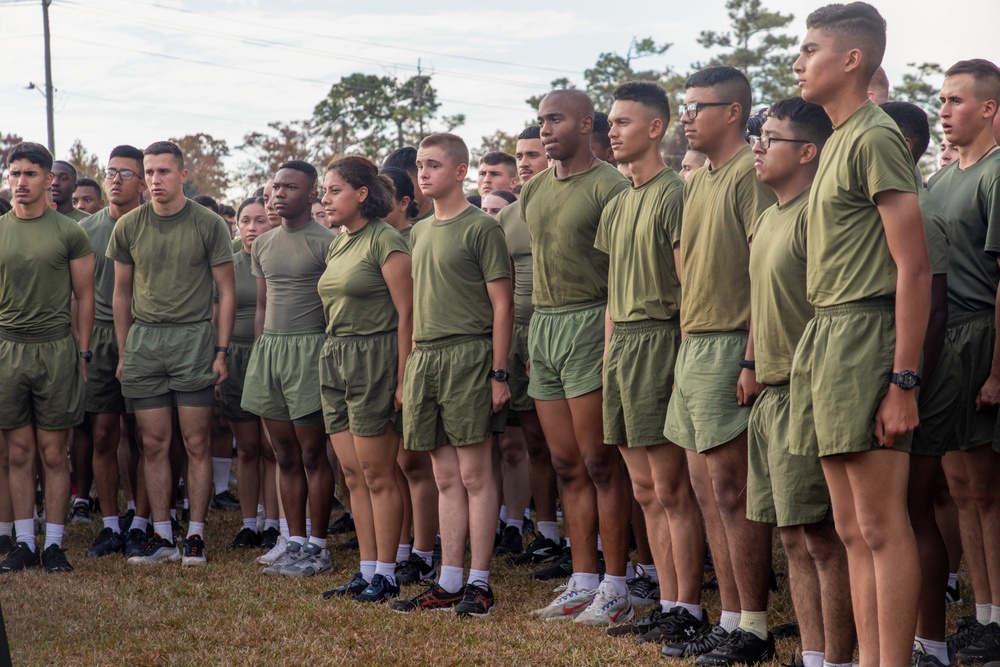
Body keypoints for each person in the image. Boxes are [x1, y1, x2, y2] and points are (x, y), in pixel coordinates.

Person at [790, 5, 931, 665]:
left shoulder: (875, 134)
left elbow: (914, 266)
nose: (798, 60)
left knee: (880, 524)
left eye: (810, 48)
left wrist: (903, 379)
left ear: (852, 59)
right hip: (827, 334)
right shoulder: (840, 135)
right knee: (850, 527)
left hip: (867, 334)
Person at [659, 65, 778, 663]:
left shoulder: (747, 177)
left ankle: (753, 627)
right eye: (683, 106)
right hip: (695, 345)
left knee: (734, 492)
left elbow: (765, 273)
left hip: (734, 343)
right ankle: (729, 617)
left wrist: (753, 356)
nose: (687, 116)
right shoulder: (697, 180)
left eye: (697, 106)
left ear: (733, 112)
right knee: (706, 493)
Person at [594, 81, 709, 644]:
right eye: (611, 123)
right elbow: (615, 291)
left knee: (671, 488)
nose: (611, 131)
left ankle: (689, 607)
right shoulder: (617, 202)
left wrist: (682, 356)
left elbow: (690, 288)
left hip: (663, 341)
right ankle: (666, 600)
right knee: (642, 490)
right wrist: (609, 353)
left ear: (656, 128)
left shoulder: (674, 193)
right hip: (624, 350)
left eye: (622, 122)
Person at [746, 98, 856, 667]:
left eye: (770, 138)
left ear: (808, 151)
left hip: (808, 391)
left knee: (822, 539)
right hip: (770, 392)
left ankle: (838, 657)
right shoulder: (767, 216)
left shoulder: (820, 213)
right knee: (790, 538)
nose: (757, 147)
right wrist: (749, 366)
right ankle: (813, 655)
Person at [520, 89, 634, 625]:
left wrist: (612, 343)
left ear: (588, 123)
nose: (545, 128)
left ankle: (618, 583)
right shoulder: (534, 189)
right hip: (545, 329)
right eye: (541, 120)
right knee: (565, 462)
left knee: (600, 462)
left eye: (556, 119)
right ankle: (582, 579)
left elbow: (621, 276)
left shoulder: (611, 186)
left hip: (594, 323)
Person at [389, 133, 513, 617]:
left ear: (461, 171)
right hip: (427, 359)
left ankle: (479, 584)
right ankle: (449, 580)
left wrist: (498, 373)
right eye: (420, 165)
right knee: (443, 477)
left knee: (475, 474)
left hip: (469, 357)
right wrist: (407, 374)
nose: (423, 173)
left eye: (434, 165)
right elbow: (413, 310)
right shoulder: (416, 233)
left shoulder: (482, 227)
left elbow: (502, 305)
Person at [108, 140, 236, 568]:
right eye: (150, 172)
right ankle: (161, 534)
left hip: (194, 340)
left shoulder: (208, 223)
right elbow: (121, 294)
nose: (155, 180)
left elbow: (227, 290)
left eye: (164, 171)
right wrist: (126, 353)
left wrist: (220, 350)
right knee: (152, 443)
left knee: (196, 441)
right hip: (145, 342)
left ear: (183, 175)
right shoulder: (128, 226)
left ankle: (195, 535)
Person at [883, 99, 961, 667]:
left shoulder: (922, 211)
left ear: (902, 146)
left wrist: (909, 386)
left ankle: (930, 642)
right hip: (902, 372)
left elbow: (933, 309)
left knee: (913, 512)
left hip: (923, 377)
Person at [927, 58, 1000, 664]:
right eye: (942, 99)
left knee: (986, 488)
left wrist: (998, 370)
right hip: (944, 338)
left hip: (982, 334)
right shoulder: (943, 178)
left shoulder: (997, 175)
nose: (944, 109)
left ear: (989, 109)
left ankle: (997, 616)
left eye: (955, 100)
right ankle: (981, 612)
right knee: (958, 485)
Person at [316, 155, 412, 603]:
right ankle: (367, 570)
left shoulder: (386, 240)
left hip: (375, 356)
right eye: (325, 190)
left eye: (334, 190)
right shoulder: (339, 242)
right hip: (335, 357)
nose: (326, 198)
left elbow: (407, 313)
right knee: (353, 475)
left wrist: (401, 377)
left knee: (378, 473)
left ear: (361, 194)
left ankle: (388, 574)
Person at [0, 142, 94, 574]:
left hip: (56, 349)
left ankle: (54, 543)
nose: (21, 182)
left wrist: (84, 351)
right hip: (7, 350)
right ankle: (23, 541)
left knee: (54, 453)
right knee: (18, 453)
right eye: (14, 173)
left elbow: (85, 296)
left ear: (49, 180)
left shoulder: (69, 232)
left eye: (30, 174)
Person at [241, 160, 336, 578]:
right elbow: (262, 305)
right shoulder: (262, 244)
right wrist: (262, 349)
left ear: (312, 194)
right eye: (275, 187)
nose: (279, 194)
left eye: (290, 187)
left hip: (312, 352)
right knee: (283, 454)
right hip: (271, 354)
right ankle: (293, 540)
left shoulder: (329, 242)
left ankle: (318, 545)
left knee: (314, 454)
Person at [78, 146, 148, 559]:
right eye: (110, 172)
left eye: (126, 172)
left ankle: (144, 518)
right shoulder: (85, 230)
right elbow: (76, 295)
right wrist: (81, 346)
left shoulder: (153, 224)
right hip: (101, 338)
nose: (116, 179)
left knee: (148, 435)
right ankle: (109, 523)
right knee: (104, 433)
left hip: (148, 336)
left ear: (142, 182)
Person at [499, 125, 560, 567]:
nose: (523, 162)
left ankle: (587, 541)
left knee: (571, 448)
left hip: (561, 329)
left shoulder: (562, 202)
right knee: (535, 441)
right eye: (519, 155)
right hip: (521, 334)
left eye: (533, 154)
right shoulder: (508, 216)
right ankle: (547, 532)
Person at [379, 166, 440, 586]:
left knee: (414, 462)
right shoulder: (369, 241)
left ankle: (423, 550)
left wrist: (405, 375)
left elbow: (412, 313)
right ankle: (401, 549)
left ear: (404, 201)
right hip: (375, 358)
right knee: (392, 465)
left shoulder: (408, 241)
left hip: (408, 357)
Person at [222, 197, 279, 551]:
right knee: (247, 448)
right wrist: (219, 354)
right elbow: (217, 309)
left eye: (260, 220)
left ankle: (273, 523)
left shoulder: (277, 254)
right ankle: (248, 523)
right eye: (245, 220)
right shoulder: (227, 258)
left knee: (273, 448)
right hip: (236, 356)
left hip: (273, 353)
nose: (252, 227)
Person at [383, 147, 434, 222]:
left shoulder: (445, 218)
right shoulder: (385, 225)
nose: (397, 193)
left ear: (421, 178)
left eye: (405, 185)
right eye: (391, 187)